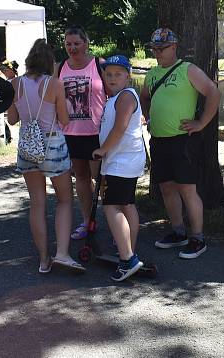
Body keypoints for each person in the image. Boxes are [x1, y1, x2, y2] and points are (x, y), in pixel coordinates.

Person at [140, 28, 220, 259]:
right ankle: (178, 232)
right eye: (154, 49)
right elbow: (144, 96)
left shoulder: (188, 69)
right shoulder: (152, 73)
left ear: (174, 47)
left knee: (187, 189)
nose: (157, 53)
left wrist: (202, 123)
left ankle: (197, 237)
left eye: (161, 48)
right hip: (159, 139)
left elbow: (213, 92)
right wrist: (148, 116)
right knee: (166, 188)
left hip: (183, 141)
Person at [7, 39, 85, 274]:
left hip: (28, 146)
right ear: (50, 62)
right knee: (63, 200)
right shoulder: (55, 84)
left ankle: (43, 259)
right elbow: (64, 119)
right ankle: (62, 253)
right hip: (52, 143)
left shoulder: (14, 84)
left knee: (37, 203)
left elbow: (12, 119)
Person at [93, 55, 146, 281]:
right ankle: (129, 250)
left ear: (128, 75)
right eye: (108, 74)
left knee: (111, 206)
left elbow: (120, 128)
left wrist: (103, 150)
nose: (112, 78)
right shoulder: (115, 98)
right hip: (123, 160)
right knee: (126, 205)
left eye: (118, 74)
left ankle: (127, 258)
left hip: (122, 161)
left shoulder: (125, 96)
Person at [57, 25, 106, 240]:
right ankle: (87, 221)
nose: (72, 48)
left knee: (103, 180)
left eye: (77, 43)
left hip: (97, 133)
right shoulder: (60, 68)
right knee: (82, 179)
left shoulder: (99, 65)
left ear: (85, 43)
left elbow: (115, 93)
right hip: (71, 134)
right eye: (68, 44)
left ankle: (115, 221)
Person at [0, 59, 19, 144]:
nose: (5, 72)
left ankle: (7, 136)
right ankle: (7, 136)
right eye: (4, 70)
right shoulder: (7, 81)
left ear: (13, 71)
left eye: (7, 70)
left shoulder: (16, 81)